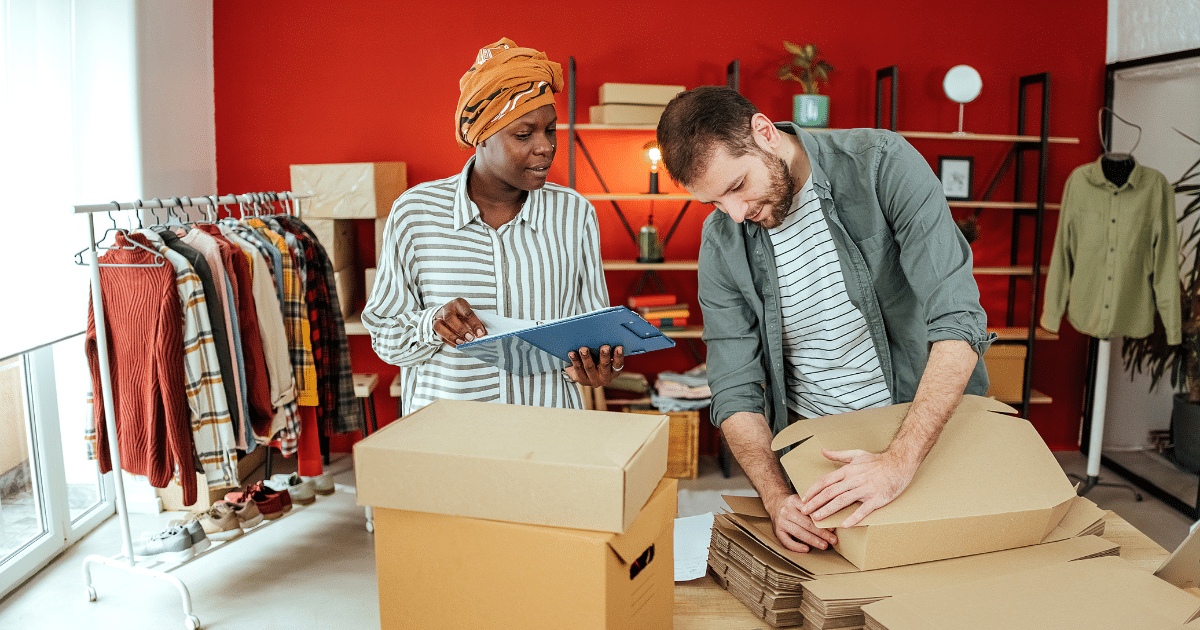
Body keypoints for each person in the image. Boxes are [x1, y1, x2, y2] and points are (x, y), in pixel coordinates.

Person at [656, 86, 993, 554]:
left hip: (922, 429)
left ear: (764, 132)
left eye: (736, 187)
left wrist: (898, 461)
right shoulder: (721, 242)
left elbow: (959, 322)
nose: (735, 215)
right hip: (817, 448)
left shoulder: (880, 163)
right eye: (714, 203)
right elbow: (734, 390)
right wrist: (776, 498)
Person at [363, 38, 623, 415]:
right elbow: (385, 335)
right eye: (524, 134)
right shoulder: (415, 212)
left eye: (550, 130)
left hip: (546, 432)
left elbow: (591, 335)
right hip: (446, 438)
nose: (546, 146)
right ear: (480, 136)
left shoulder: (574, 214)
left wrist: (595, 365)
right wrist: (432, 322)